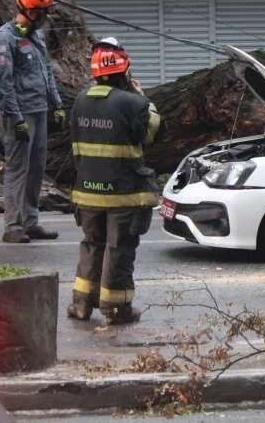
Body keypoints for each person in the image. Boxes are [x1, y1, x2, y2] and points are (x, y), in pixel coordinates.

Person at [68, 38, 164, 325]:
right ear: (124, 71)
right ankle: (116, 309)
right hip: (123, 195)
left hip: (86, 192)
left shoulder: (80, 101)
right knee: (119, 248)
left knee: (91, 244)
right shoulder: (133, 103)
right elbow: (152, 135)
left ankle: (82, 305)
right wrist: (146, 101)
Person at [0, 0, 65, 244]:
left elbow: (46, 71)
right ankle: (12, 226)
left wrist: (57, 102)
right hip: (20, 114)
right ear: (32, 12)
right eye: (43, 13)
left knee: (36, 168)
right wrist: (15, 119)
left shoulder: (35, 35)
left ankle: (31, 221)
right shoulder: (5, 38)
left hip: (39, 110)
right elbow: (3, 84)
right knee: (17, 169)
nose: (46, 17)